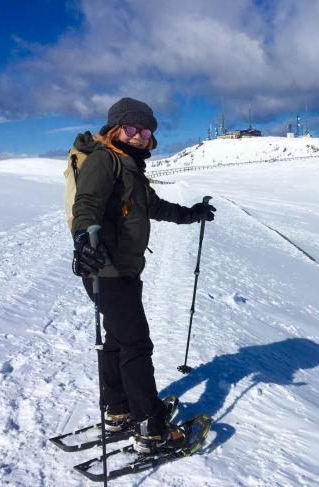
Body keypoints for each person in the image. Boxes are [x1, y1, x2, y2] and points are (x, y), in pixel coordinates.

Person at [69, 97, 216, 452]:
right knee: (135, 343)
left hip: (123, 269)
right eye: (131, 129)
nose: (138, 136)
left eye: (144, 130)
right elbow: (86, 203)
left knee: (119, 339)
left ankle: (118, 410)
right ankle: (151, 426)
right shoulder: (105, 160)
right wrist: (82, 238)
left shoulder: (130, 166)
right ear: (115, 130)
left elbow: (154, 207)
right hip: (106, 268)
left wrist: (191, 214)